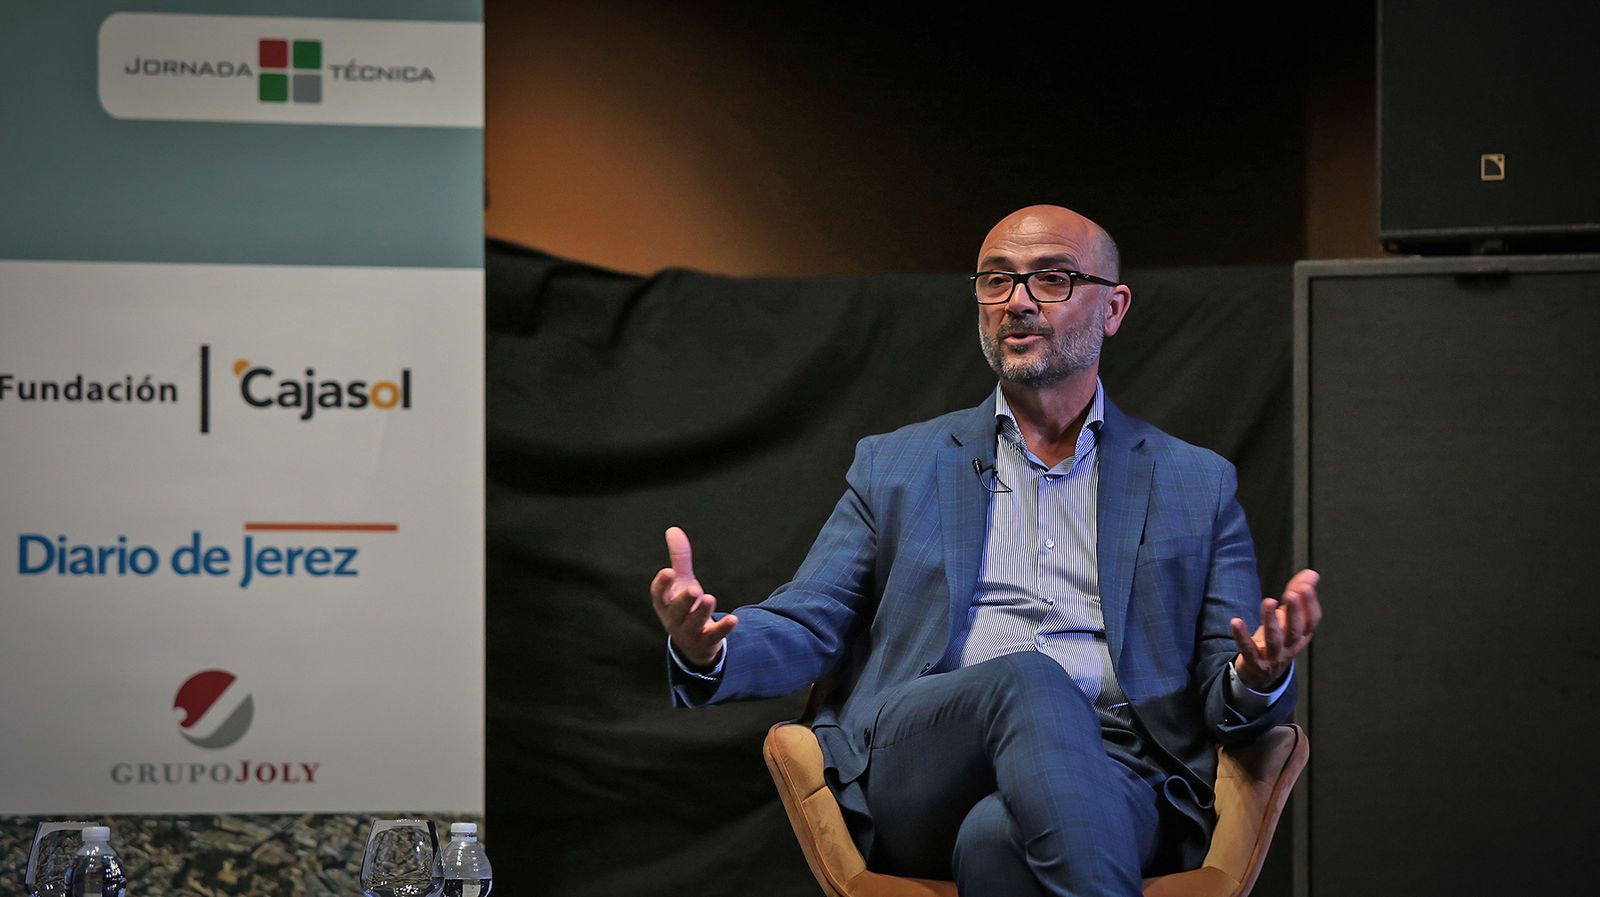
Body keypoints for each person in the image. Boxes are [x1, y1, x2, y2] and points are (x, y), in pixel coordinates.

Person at [650, 204, 1322, 897]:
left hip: (1119, 764)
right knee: (1030, 677)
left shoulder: (1195, 483)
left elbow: (1228, 690)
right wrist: (710, 648)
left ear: (1113, 308)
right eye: (996, 280)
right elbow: (809, 620)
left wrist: (1259, 674)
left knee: (998, 841)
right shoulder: (897, 465)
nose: (1017, 301)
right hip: (927, 754)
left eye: (1052, 278)